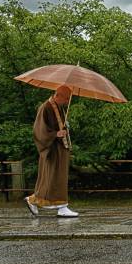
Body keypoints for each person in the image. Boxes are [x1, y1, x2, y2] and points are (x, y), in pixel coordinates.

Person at [24, 85, 78, 217]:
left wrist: (65, 127)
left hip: (60, 148)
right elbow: (39, 131)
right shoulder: (45, 107)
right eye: (66, 98)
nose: (67, 101)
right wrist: (55, 134)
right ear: (58, 95)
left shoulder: (59, 107)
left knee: (58, 179)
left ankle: (61, 206)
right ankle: (34, 200)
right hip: (51, 149)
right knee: (50, 179)